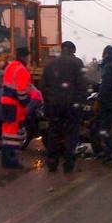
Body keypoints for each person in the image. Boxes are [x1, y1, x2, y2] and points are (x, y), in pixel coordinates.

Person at [41, 41, 87, 173]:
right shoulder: (77, 63)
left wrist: (48, 102)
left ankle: (52, 163)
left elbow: (44, 87)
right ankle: (68, 164)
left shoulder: (50, 64)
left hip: (54, 105)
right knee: (71, 134)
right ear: (72, 50)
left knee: (53, 133)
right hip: (72, 106)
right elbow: (82, 86)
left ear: (62, 49)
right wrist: (80, 102)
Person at [0, 47, 32, 169]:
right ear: (25, 57)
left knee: (7, 131)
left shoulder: (10, 66)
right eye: (28, 56)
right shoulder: (22, 70)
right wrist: (26, 103)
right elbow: (22, 93)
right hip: (15, 104)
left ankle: (5, 159)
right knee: (13, 134)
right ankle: (11, 160)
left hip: (6, 102)